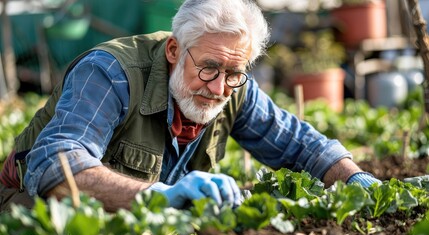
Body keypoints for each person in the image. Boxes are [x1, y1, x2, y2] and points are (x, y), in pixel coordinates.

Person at [0, 0, 380, 213]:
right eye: (208, 68)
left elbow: (301, 145)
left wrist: (357, 180)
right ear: (174, 51)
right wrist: (157, 196)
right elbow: (57, 163)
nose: (218, 88)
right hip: (34, 217)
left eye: (234, 71)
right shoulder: (111, 73)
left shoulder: (233, 83)